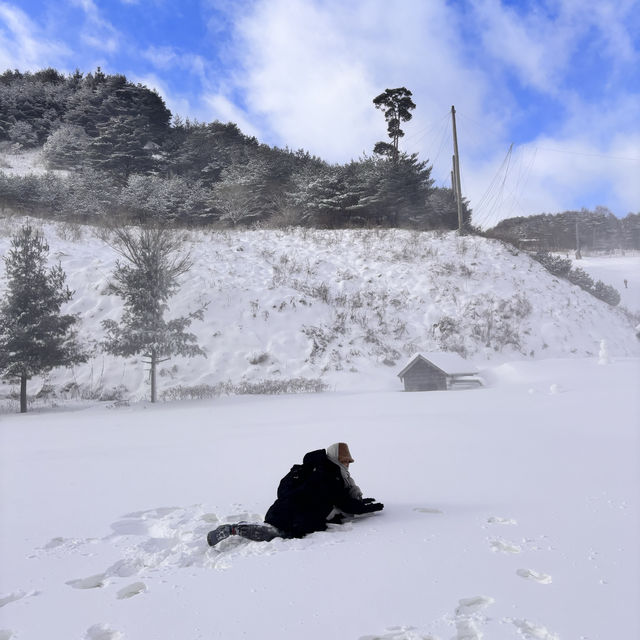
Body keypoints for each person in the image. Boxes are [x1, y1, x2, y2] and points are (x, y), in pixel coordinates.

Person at [207, 442, 383, 547]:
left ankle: (238, 528)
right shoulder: (330, 474)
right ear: (335, 457)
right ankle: (234, 529)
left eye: (348, 460)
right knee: (277, 533)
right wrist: (362, 507)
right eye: (344, 460)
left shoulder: (318, 468)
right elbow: (342, 501)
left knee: (274, 528)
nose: (347, 463)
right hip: (297, 514)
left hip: (287, 507)